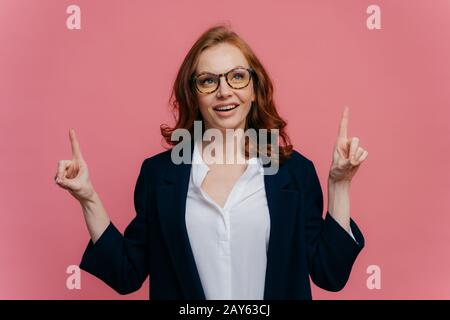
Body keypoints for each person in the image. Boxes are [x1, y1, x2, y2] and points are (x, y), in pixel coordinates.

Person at [54, 25, 368, 300]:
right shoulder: (160, 175)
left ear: (255, 89)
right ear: (193, 94)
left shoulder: (294, 172)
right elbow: (126, 274)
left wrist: (340, 184)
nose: (224, 91)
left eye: (237, 77)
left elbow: (330, 273)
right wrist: (87, 197)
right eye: (208, 81)